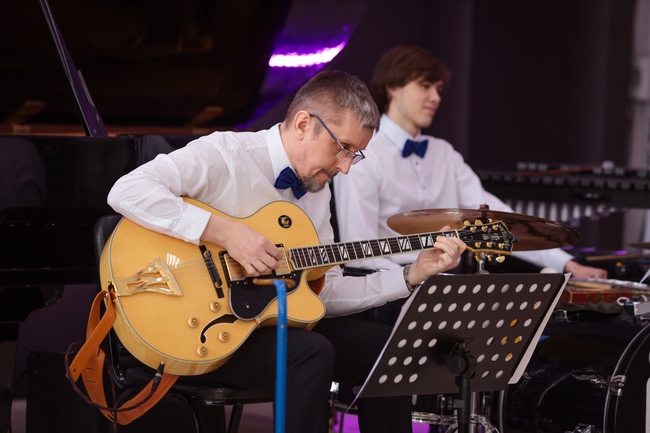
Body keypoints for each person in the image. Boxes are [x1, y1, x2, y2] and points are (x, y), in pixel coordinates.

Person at [107, 70, 466, 433]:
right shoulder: (226, 154)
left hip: (264, 324)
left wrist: (410, 274)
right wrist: (226, 233)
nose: (344, 167)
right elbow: (127, 190)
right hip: (199, 327)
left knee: (386, 347)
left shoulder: (317, 189)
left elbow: (325, 292)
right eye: (342, 148)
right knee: (311, 351)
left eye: (354, 155)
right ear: (303, 124)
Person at [334, 45, 607, 279]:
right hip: (393, 289)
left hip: (450, 283)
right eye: (425, 86)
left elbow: (497, 219)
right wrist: (413, 279)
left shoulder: (444, 154)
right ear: (393, 87)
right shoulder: (364, 153)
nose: (436, 98)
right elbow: (361, 254)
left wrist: (566, 263)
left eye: (438, 89)